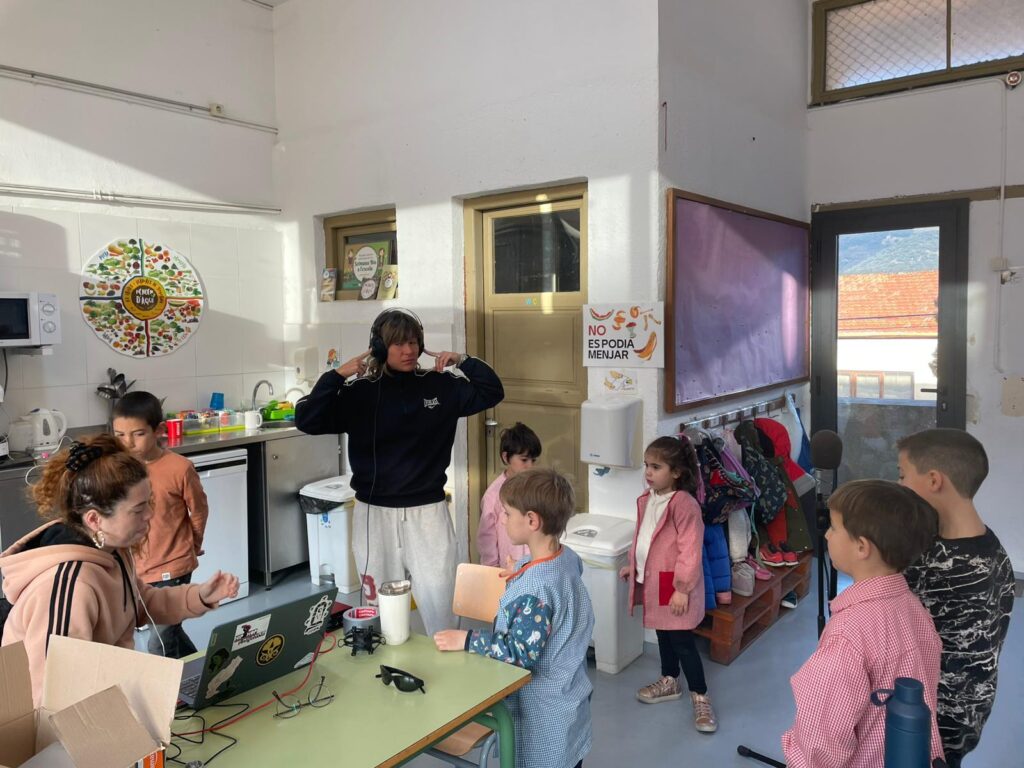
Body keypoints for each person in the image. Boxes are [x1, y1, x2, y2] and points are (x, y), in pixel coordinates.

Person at [294, 308, 503, 636]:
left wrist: (463, 361)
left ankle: (446, 656)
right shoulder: (359, 393)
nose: (408, 351)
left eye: (413, 342)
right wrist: (335, 377)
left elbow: (493, 391)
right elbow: (306, 419)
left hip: (428, 512)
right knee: (380, 607)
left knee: (441, 598)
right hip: (374, 514)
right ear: (380, 348)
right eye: (398, 344)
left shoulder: (440, 386)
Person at [0, 434, 238, 705]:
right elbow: (50, 699)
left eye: (149, 503)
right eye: (138, 510)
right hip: (59, 714)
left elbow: (141, 603)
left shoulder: (111, 550)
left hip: (105, 693)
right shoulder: (70, 586)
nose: (149, 515)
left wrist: (200, 596)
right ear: (95, 519)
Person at [434, 468, 594, 768]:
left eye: (507, 514)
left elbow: (518, 653)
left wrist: (466, 639)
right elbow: (547, 574)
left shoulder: (536, 590)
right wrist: (520, 569)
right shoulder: (565, 558)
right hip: (570, 698)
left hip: (544, 716)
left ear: (532, 521)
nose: (503, 520)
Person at [782, 479, 943, 768]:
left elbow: (821, 742)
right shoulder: (915, 609)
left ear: (861, 547)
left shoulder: (848, 634)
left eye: (834, 527)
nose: (827, 535)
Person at [898, 429, 1015, 767]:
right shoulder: (992, 549)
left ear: (934, 480)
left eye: (903, 474)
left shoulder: (944, 570)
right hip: (966, 717)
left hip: (931, 727)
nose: (899, 483)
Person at [618, 435, 717, 733]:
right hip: (656, 578)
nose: (648, 472)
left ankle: (700, 695)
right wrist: (634, 566)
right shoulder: (648, 498)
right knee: (663, 632)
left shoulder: (683, 504)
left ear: (676, 472)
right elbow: (644, 537)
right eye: (646, 465)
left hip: (673, 583)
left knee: (682, 641)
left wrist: (682, 589)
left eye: (656, 467)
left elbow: (690, 550)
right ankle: (670, 680)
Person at [112, 391, 209, 658]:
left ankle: (171, 686)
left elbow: (199, 510)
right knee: (169, 631)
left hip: (173, 566)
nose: (128, 442)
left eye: (138, 434)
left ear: (159, 431)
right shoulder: (119, 470)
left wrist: (194, 543)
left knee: (159, 643)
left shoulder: (179, 468)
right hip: (139, 568)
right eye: (119, 435)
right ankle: (202, 671)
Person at [477, 422, 541, 568]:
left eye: (533, 460)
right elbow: (486, 536)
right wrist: (491, 568)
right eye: (524, 460)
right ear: (506, 457)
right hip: (507, 568)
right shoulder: (493, 494)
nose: (530, 466)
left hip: (535, 566)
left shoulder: (537, 487)